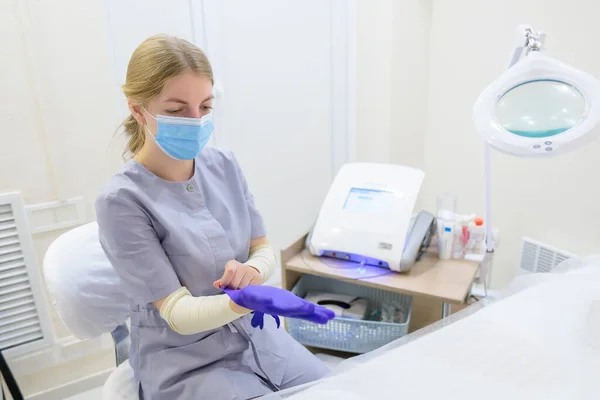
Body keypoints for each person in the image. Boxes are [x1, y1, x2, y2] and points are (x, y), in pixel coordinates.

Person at [95, 34, 329, 400]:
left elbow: (262, 247)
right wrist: (245, 300)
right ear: (138, 110)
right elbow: (177, 312)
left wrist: (252, 272)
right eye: (176, 110)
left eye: (204, 107)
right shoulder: (121, 202)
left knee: (338, 389)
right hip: (186, 363)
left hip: (259, 341)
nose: (195, 121)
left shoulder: (224, 165)